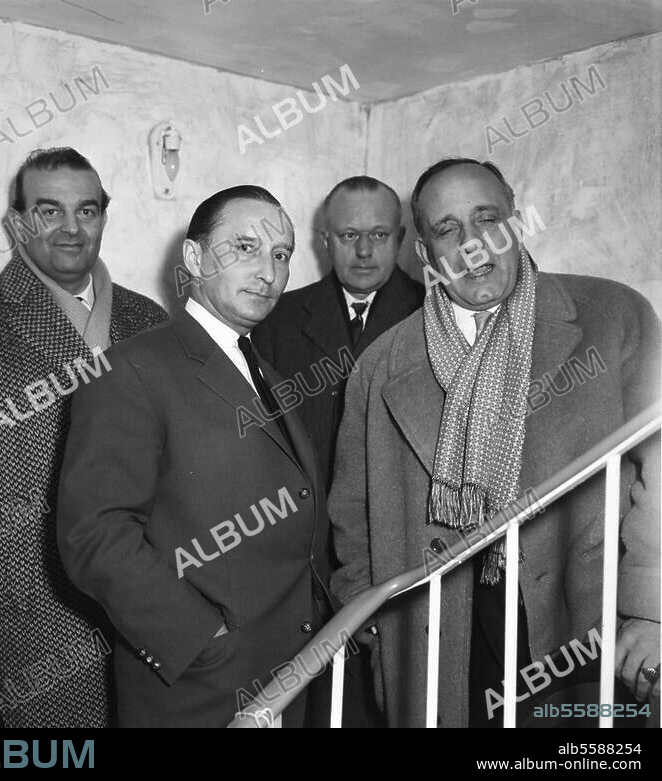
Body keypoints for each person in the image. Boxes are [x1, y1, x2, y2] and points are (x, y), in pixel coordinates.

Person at [328, 157, 661, 728]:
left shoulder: (615, 316)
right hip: (442, 638)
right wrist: (380, 630)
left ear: (515, 221)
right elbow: (351, 518)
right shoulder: (380, 364)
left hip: (586, 622)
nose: (473, 243)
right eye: (447, 229)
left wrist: (651, 610)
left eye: (487, 218)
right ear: (427, 255)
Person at [57, 185, 333, 728]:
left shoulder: (264, 373)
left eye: (281, 255)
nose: (268, 272)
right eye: (246, 247)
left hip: (284, 676)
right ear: (193, 258)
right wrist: (199, 639)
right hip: (199, 688)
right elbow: (94, 534)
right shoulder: (131, 369)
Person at [0, 147, 168, 728]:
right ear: (17, 223)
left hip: (144, 611)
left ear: (103, 219)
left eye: (86, 211)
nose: (70, 228)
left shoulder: (149, 322)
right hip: (22, 616)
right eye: (48, 211)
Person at [252, 176, 424, 489]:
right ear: (326, 240)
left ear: (399, 238)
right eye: (348, 235)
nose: (363, 250)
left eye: (379, 234)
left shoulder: (431, 314)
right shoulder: (276, 318)